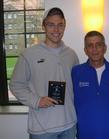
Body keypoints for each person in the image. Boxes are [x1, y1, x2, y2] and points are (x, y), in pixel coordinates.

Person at [9, 7, 79, 139]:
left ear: (64, 26)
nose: (56, 30)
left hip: (69, 125)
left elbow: (76, 87)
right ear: (43, 26)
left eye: (60, 25)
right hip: (42, 128)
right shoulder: (28, 54)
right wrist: (36, 101)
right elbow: (15, 85)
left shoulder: (71, 54)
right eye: (51, 25)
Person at [71, 31, 109, 139]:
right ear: (85, 50)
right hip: (85, 134)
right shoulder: (76, 72)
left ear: (105, 48)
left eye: (98, 45)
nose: (94, 49)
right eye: (90, 46)